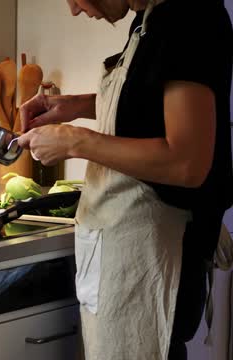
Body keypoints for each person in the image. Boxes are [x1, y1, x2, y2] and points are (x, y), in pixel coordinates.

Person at [17, 0, 233, 359]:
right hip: (123, 260)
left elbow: (187, 164)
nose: (74, 9)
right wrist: (76, 105)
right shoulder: (148, 19)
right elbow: (148, 105)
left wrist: (74, 141)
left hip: (154, 259)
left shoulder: (189, 16)